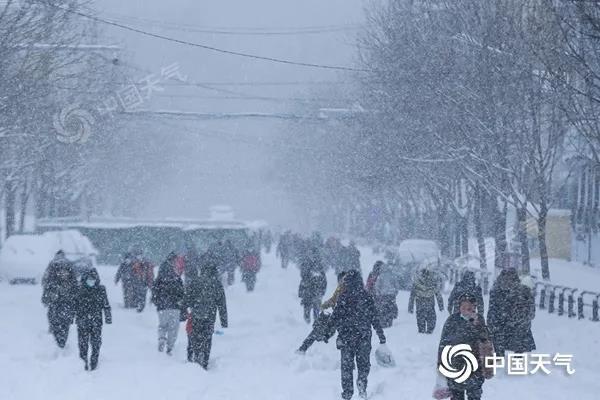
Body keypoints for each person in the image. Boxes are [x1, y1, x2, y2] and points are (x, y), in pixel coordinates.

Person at [328, 270, 386, 400]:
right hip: (363, 336)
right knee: (363, 364)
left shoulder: (343, 297)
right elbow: (374, 318)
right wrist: (381, 335)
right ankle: (362, 382)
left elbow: (335, 317)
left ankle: (347, 392)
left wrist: (327, 332)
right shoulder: (366, 296)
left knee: (347, 367)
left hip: (346, 337)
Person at [438, 293, 491, 400]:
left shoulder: (479, 320)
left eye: (470, 308)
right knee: (456, 395)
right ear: (459, 307)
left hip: (475, 367)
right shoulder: (452, 320)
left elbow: (486, 340)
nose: (466, 310)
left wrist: (478, 326)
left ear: (475, 308)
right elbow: (443, 343)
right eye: (463, 307)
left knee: (475, 396)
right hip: (455, 366)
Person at [184, 251, 228, 369]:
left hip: (196, 315)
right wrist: (224, 321)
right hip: (210, 317)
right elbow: (222, 304)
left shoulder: (195, 281)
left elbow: (187, 298)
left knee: (195, 336)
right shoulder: (217, 284)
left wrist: (184, 311)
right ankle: (205, 361)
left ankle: (196, 354)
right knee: (207, 338)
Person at [487, 269, 536, 356]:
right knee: (501, 349)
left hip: (515, 327)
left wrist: (521, 320)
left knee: (517, 350)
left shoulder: (522, 292)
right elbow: (492, 310)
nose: (508, 282)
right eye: (506, 279)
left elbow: (530, 311)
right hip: (503, 326)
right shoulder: (497, 291)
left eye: (511, 279)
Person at [296, 271, 347, 354]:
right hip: (336, 315)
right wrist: (324, 305)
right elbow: (333, 300)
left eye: (343, 280)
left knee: (342, 336)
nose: (342, 282)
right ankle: (304, 347)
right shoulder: (339, 288)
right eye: (340, 280)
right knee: (318, 327)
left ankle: (324, 335)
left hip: (344, 317)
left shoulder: (350, 290)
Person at [75, 268, 111, 371]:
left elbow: (106, 304)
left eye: (93, 279)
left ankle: (94, 361)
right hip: (82, 320)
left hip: (96, 321)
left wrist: (108, 317)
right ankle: (83, 361)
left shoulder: (101, 289)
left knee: (96, 342)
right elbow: (74, 304)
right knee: (83, 343)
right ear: (85, 279)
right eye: (89, 279)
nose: (91, 281)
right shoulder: (79, 289)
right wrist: (71, 317)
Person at [42, 250, 78, 348]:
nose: (62, 273)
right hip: (65, 301)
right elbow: (74, 282)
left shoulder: (53, 265)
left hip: (57, 301)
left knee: (55, 320)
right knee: (64, 322)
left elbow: (46, 281)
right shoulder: (68, 264)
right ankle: (61, 340)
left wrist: (46, 298)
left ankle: (59, 339)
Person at [151, 252, 185, 355]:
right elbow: (182, 292)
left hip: (162, 307)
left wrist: (157, 303)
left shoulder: (159, 279)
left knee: (162, 326)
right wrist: (181, 303)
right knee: (173, 328)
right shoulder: (176, 278)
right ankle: (170, 347)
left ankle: (161, 338)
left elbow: (154, 292)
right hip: (175, 307)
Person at [408, 268, 444, 334]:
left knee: (420, 320)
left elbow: (412, 296)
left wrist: (410, 307)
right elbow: (438, 294)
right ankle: (429, 332)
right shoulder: (432, 282)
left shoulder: (416, 282)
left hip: (420, 305)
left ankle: (422, 333)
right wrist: (441, 306)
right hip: (430, 304)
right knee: (431, 320)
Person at [298, 246, 327, 323]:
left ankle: (315, 322)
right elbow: (303, 275)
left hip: (317, 288)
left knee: (316, 307)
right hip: (309, 288)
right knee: (307, 306)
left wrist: (323, 289)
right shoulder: (306, 263)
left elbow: (323, 277)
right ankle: (307, 321)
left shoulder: (319, 264)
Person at [369, 262, 399, 328]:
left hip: (383, 295)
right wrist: (395, 292)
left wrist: (378, 294)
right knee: (391, 307)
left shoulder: (380, 276)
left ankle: (384, 322)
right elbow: (396, 285)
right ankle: (390, 320)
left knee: (383, 309)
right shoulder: (392, 275)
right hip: (391, 295)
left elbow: (377, 286)